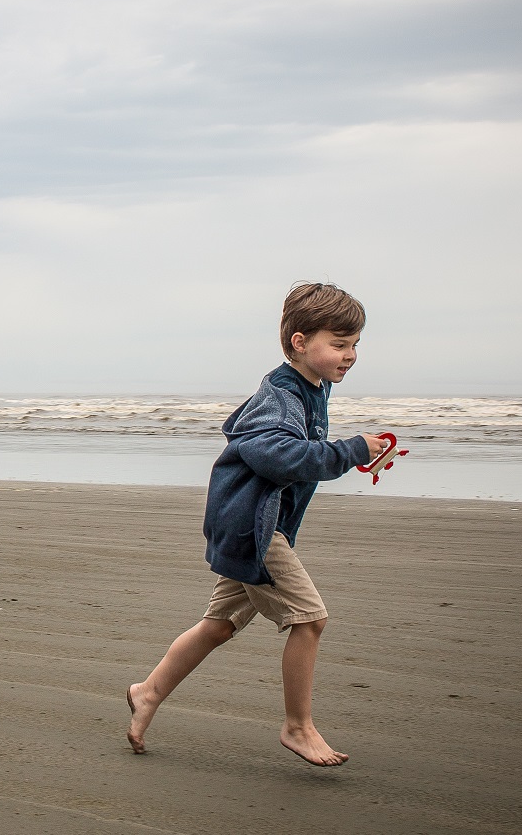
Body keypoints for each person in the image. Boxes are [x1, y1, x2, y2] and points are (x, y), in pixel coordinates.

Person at [125, 283, 388, 766]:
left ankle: (148, 692)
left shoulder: (313, 387)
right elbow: (273, 454)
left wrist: (355, 455)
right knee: (310, 619)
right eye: (339, 344)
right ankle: (297, 726)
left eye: (354, 345)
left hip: (255, 523)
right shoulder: (282, 395)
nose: (350, 355)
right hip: (255, 529)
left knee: (219, 625)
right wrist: (350, 451)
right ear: (299, 342)